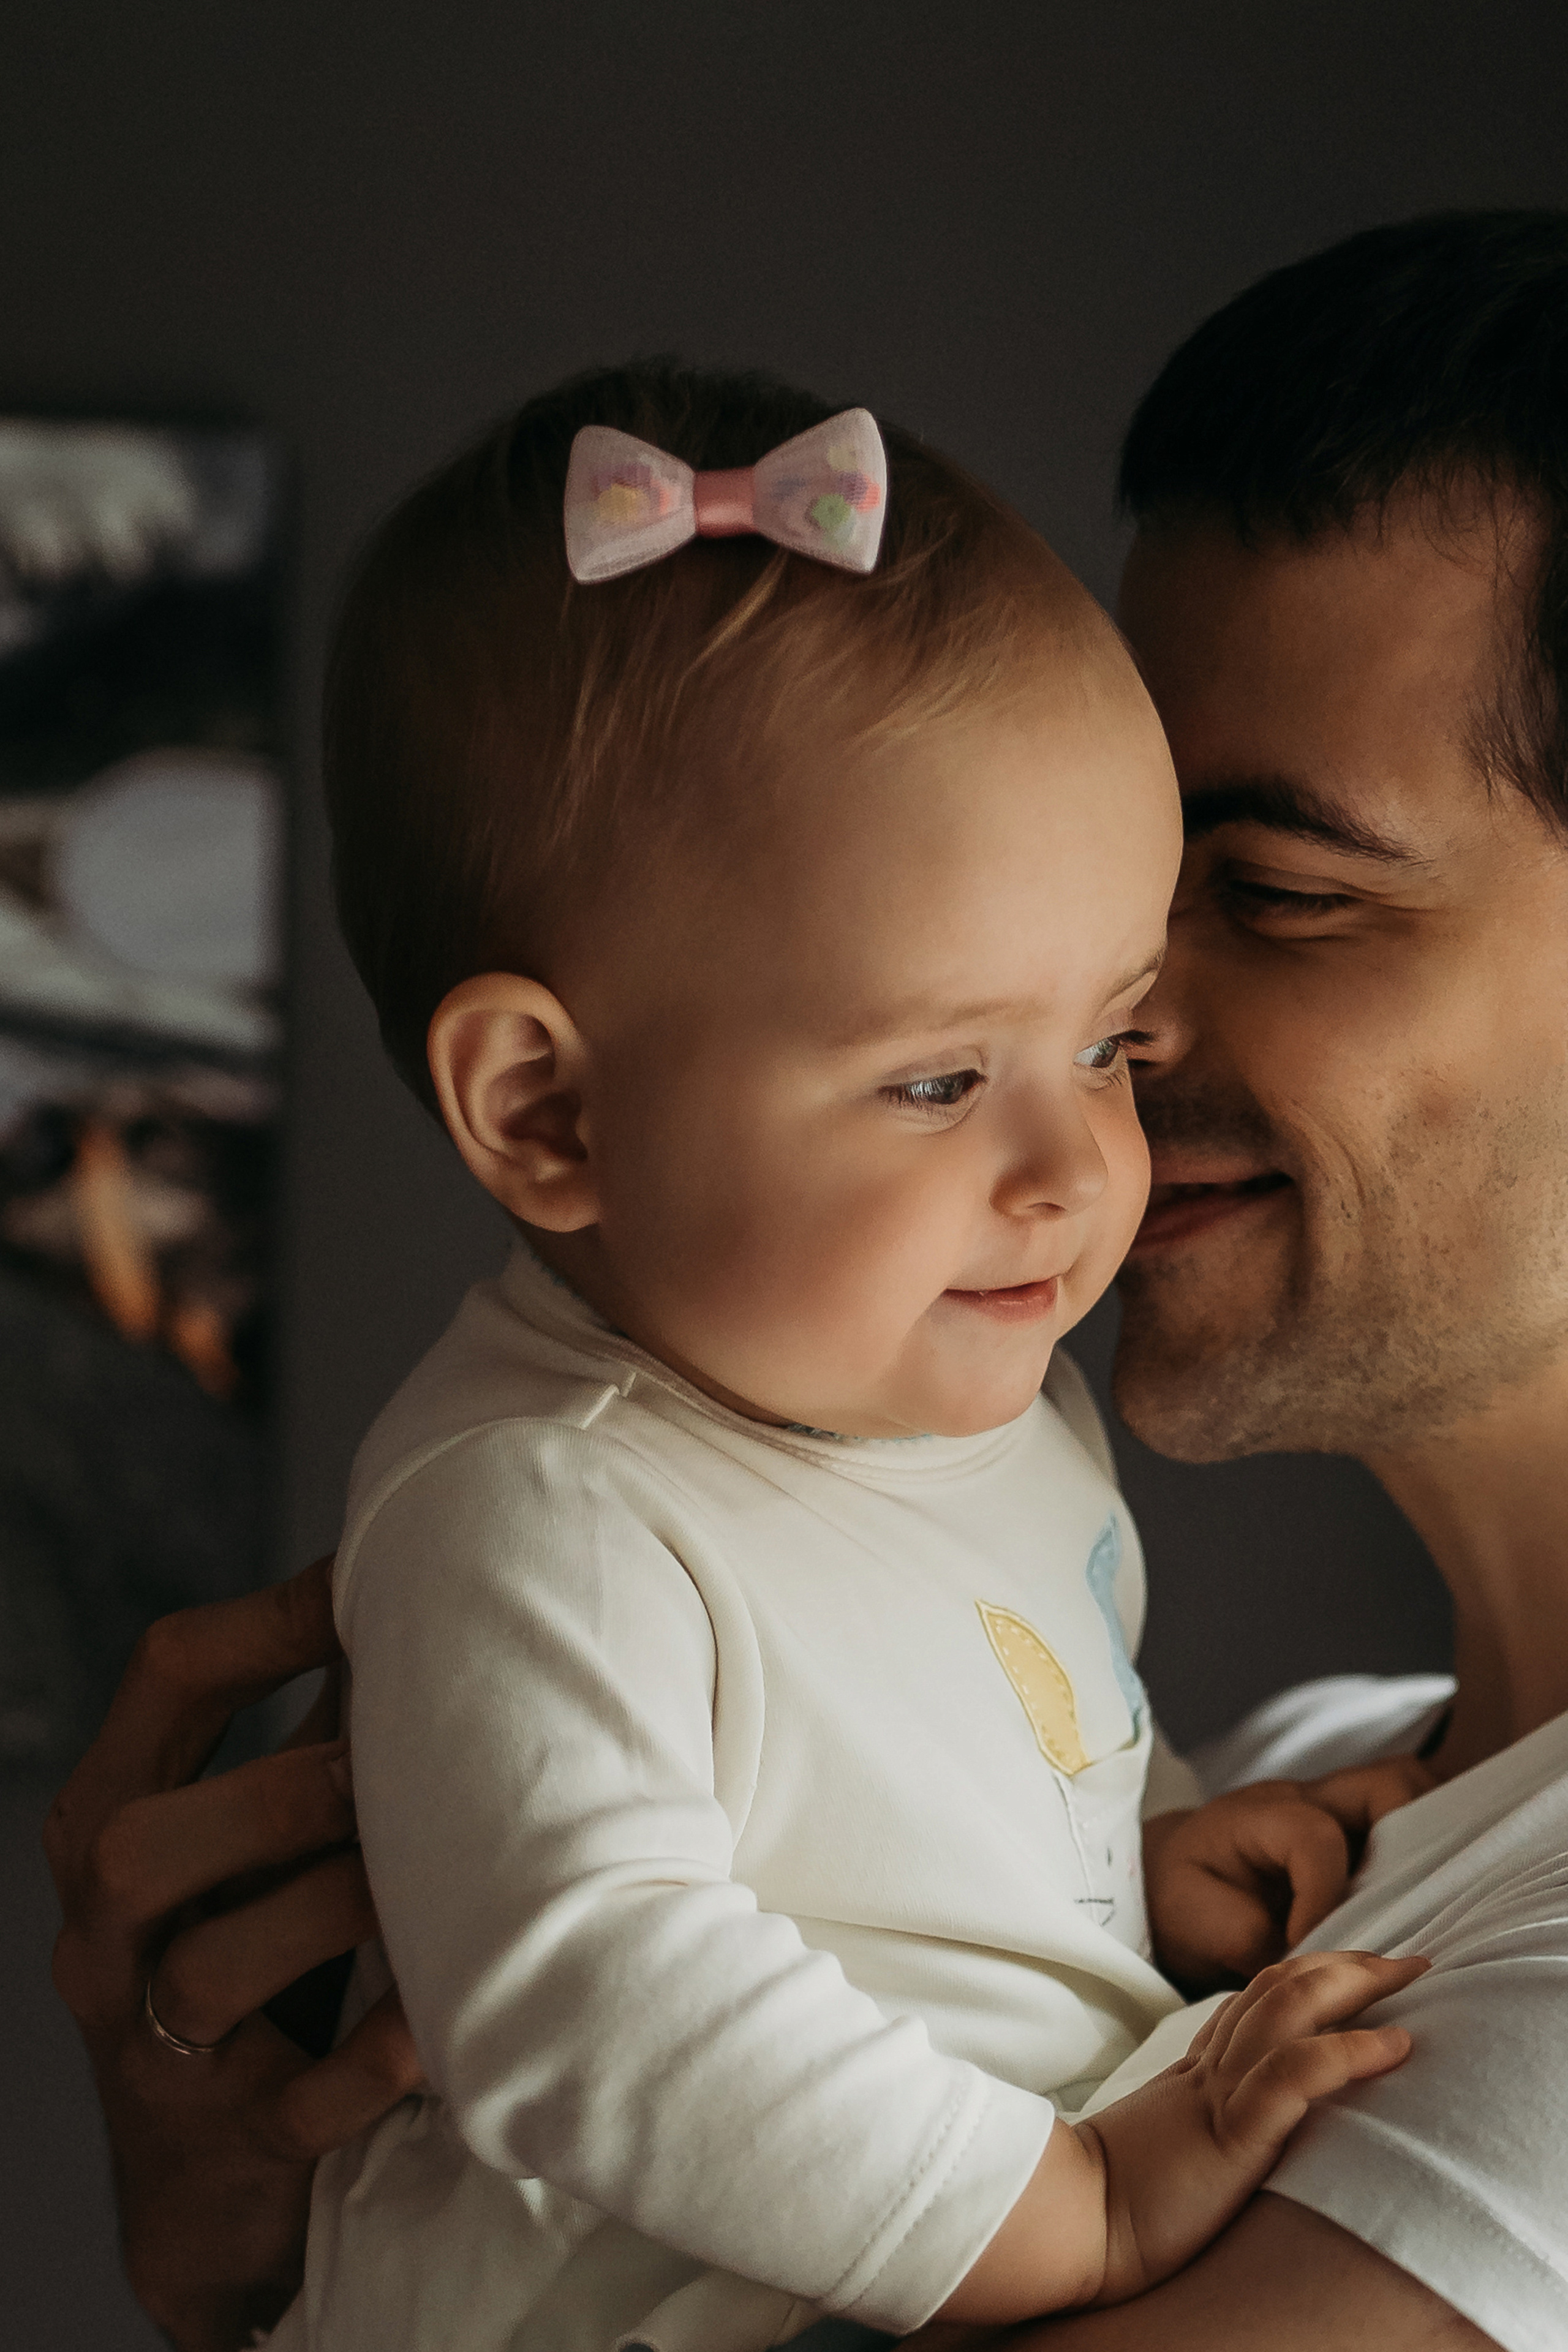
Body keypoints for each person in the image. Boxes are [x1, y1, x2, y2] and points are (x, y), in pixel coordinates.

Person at [45, 208, 1568, 2351]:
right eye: (952, 1056)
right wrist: (229, 2250)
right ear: (546, 1113)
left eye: (1281, 892)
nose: (1127, 1065)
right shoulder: (1305, 1781)